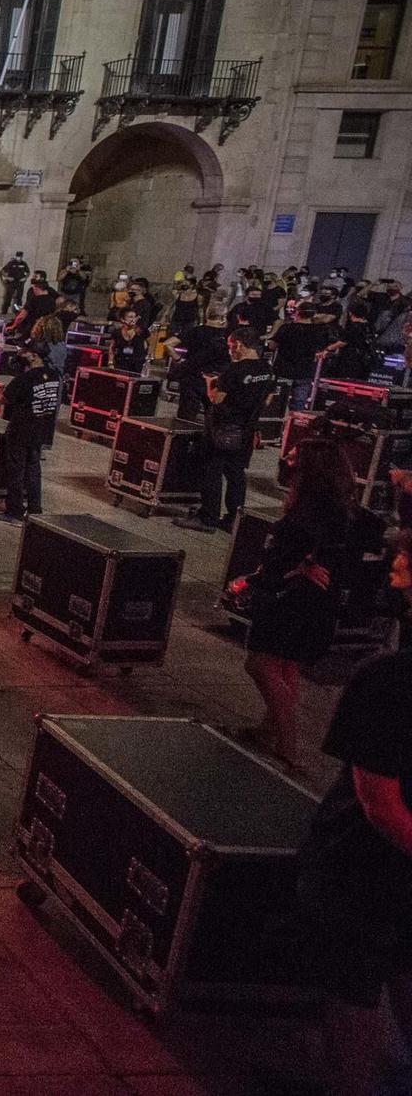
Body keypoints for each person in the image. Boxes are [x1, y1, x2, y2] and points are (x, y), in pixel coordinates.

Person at [295, 548, 412, 1096]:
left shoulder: (388, 678)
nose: (397, 559)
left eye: (409, 556)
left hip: (364, 868)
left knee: (355, 991)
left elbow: (380, 805)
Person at [233, 440, 382, 768]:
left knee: (260, 664)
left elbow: (292, 549)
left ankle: (289, 745)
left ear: (309, 468)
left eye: (294, 457)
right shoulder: (338, 504)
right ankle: (268, 729)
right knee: (287, 666)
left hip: (293, 598)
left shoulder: (313, 509)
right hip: (314, 601)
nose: (286, 459)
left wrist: (300, 567)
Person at [176, 328, 276, 533]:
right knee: (236, 474)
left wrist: (209, 383)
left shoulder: (233, 370)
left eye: (231, 346)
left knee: (212, 472)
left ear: (239, 345)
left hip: (223, 429)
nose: (230, 351)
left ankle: (208, 517)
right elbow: (268, 400)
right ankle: (233, 519)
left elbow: (216, 399)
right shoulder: (267, 369)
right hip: (246, 430)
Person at [0, 342, 62, 523]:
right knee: (34, 470)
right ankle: (35, 509)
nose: (22, 354)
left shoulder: (24, 379)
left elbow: (2, 400)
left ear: (34, 356)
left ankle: (14, 511)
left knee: (16, 471)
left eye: (26, 352)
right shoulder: (55, 375)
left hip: (21, 430)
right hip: (42, 430)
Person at [108, 308, 148, 374]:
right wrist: (110, 363)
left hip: (137, 364)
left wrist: (146, 361)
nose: (133, 319)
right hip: (121, 363)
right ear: (122, 319)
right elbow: (112, 348)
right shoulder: (117, 333)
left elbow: (148, 346)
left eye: (135, 317)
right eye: (130, 317)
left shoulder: (141, 331)